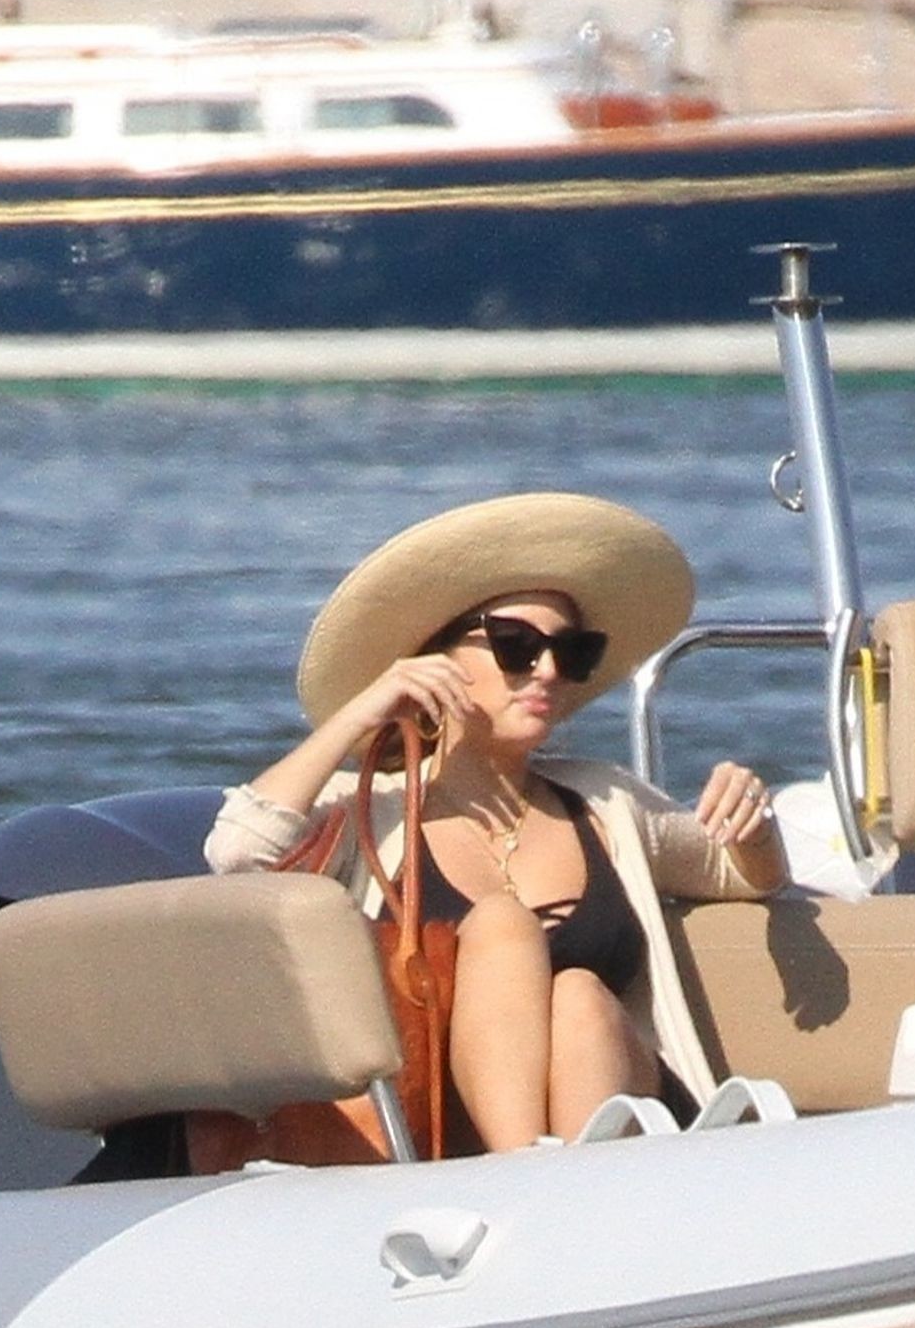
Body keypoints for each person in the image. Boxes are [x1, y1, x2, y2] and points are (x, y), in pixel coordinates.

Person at [205, 492, 787, 1151]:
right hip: (440, 1131)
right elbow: (238, 853)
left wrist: (754, 821)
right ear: (437, 660)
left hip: (621, 1124)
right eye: (517, 646)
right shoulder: (369, 809)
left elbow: (745, 874)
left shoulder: (605, 802)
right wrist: (363, 713)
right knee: (502, 926)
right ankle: (529, 1174)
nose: (548, 670)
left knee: (580, 997)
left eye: (573, 652)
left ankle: (537, 1181)